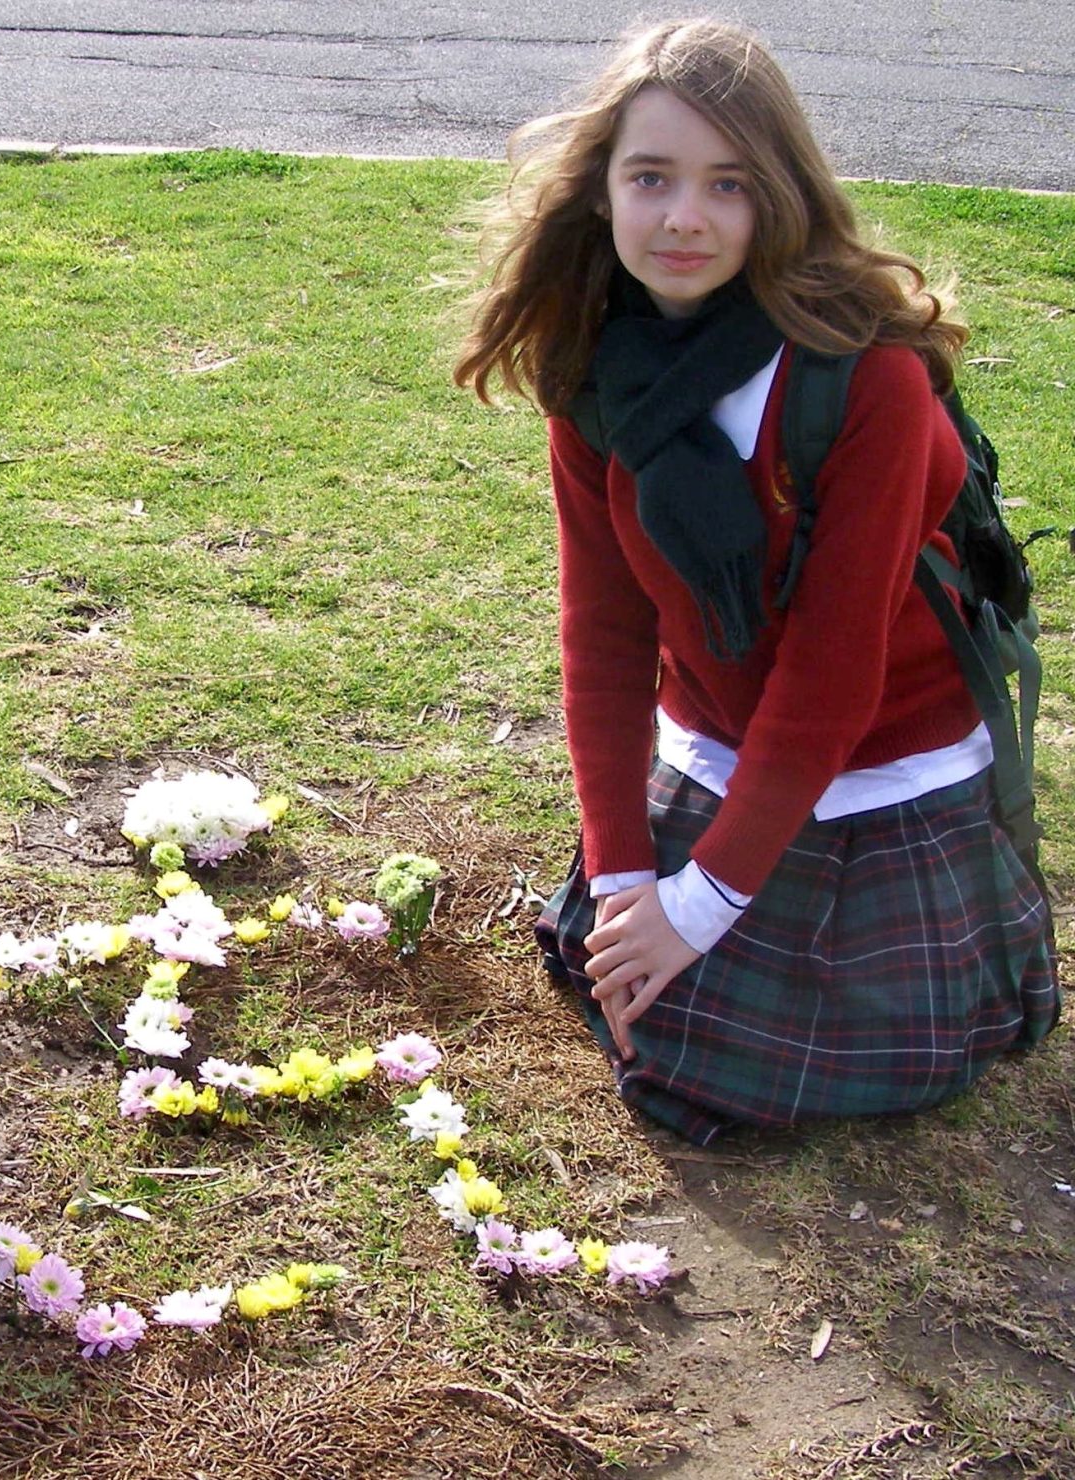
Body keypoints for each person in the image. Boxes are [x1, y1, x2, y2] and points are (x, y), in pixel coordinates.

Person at [452, 19, 1057, 1143]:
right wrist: (630, 875)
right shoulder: (594, 371)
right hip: (722, 740)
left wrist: (704, 900)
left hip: (880, 757)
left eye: (727, 184)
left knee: (715, 1065)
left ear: (778, 195)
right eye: (652, 177)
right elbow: (606, 634)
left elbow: (834, 673)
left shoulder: (864, 376)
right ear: (602, 194)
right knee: (627, 974)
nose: (685, 217)